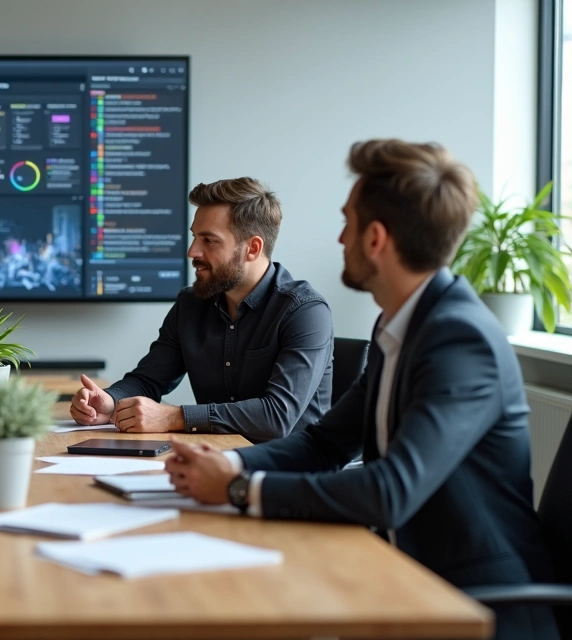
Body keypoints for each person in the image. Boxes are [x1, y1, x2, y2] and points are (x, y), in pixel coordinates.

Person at [165, 139, 558, 640]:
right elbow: (325, 443)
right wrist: (229, 465)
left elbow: (391, 490)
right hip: (406, 577)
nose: (339, 238)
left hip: (476, 607)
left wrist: (240, 489)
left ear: (375, 238)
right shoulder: (401, 325)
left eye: (347, 222)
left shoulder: (461, 339)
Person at [71, 177, 333, 443]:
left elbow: (277, 417)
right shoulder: (191, 304)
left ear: (252, 249)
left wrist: (174, 417)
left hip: (290, 465)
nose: (192, 251)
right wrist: (110, 401)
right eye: (194, 237)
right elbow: (149, 380)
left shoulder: (305, 311)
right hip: (218, 456)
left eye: (209, 240)